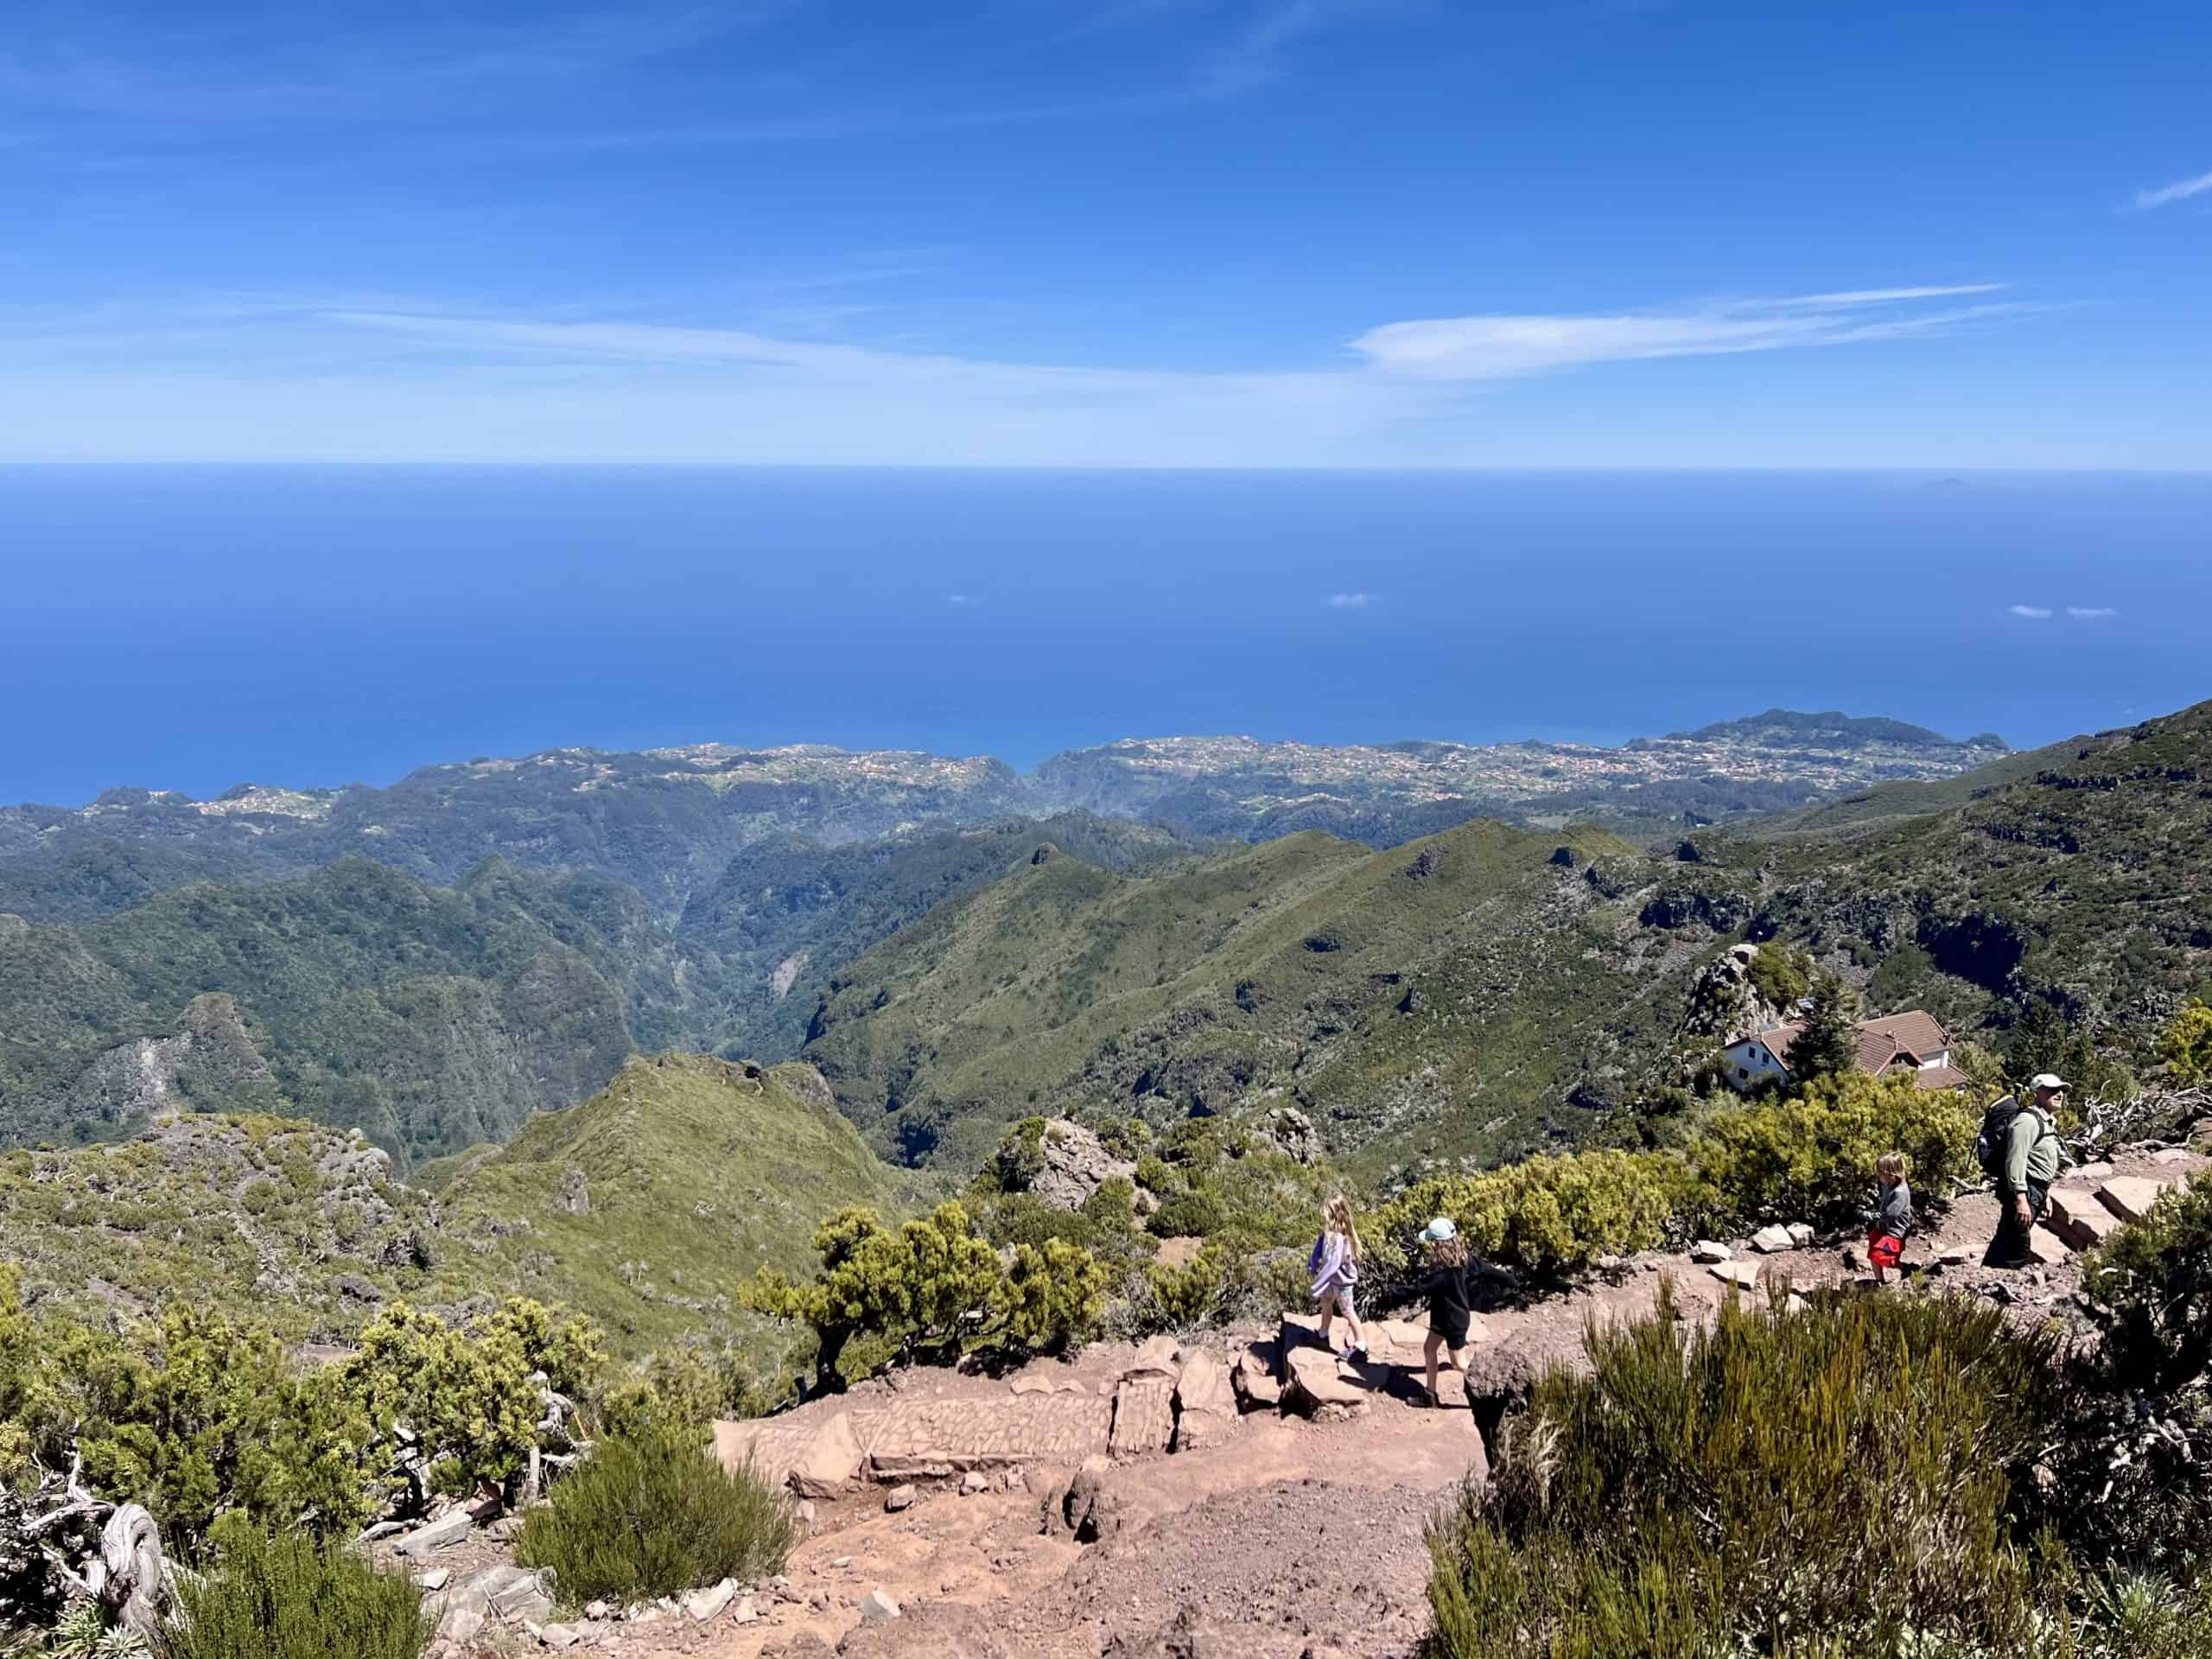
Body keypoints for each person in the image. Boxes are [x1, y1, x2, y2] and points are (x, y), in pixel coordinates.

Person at [1413, 1217, 1516, 1407]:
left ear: (1437, 1243)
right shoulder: (1463, 1257)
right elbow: (1487, 1270)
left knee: (1459, 1364)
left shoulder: (1444, 1269)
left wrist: (1394, 1292)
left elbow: (1421, 1288)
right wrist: (1510, 1280)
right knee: (1429, 1349)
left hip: (1453, 1321)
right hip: (1444, 1318)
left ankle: (1492, 1394)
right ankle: (1430, 1396)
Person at [1983, 1073, 2064, 1268]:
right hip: (2025, 1190)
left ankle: (1988, 1275)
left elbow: (2038, 1161)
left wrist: (2045, 1194)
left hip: (2035, 1190)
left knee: (2007, 1237)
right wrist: (2021, 1198)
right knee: (2016, 1246)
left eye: (2061, 1090)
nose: (2059, 1094)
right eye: (2052, 1090)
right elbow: (2016, 1160)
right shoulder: (2027, 1122)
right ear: (2037, 1092)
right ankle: (1999, 1282)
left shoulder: (2045, 1121)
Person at [1309, 1194, 1367, 1358]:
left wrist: (1317, 1284)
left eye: (1326, 1213)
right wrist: (1313, 1261)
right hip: (1330, 1281)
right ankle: (1323, 1334)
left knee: (1348, 1312)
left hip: (1342, 1283)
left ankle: (1361, 1346)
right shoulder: (1329, 1233)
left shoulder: (1341, 1239)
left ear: (1334, 1215)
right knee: (1326, 1304)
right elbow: (1319, 1245)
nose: (1323, 1216)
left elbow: (1333, 1264)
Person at [1867, 1152, 1911, 1284]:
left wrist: (1869, 1215)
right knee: (1873, 1254)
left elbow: (1889, 1216)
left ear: (1891, 1174)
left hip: (1894, 1230)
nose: (1879, 1177)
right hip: (1882, 1227)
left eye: (1881, 1174)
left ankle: (1906, 1268)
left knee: (1884, 1257)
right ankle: (1879, 1281)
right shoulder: (1889, 1185)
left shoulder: (1899, 1192)